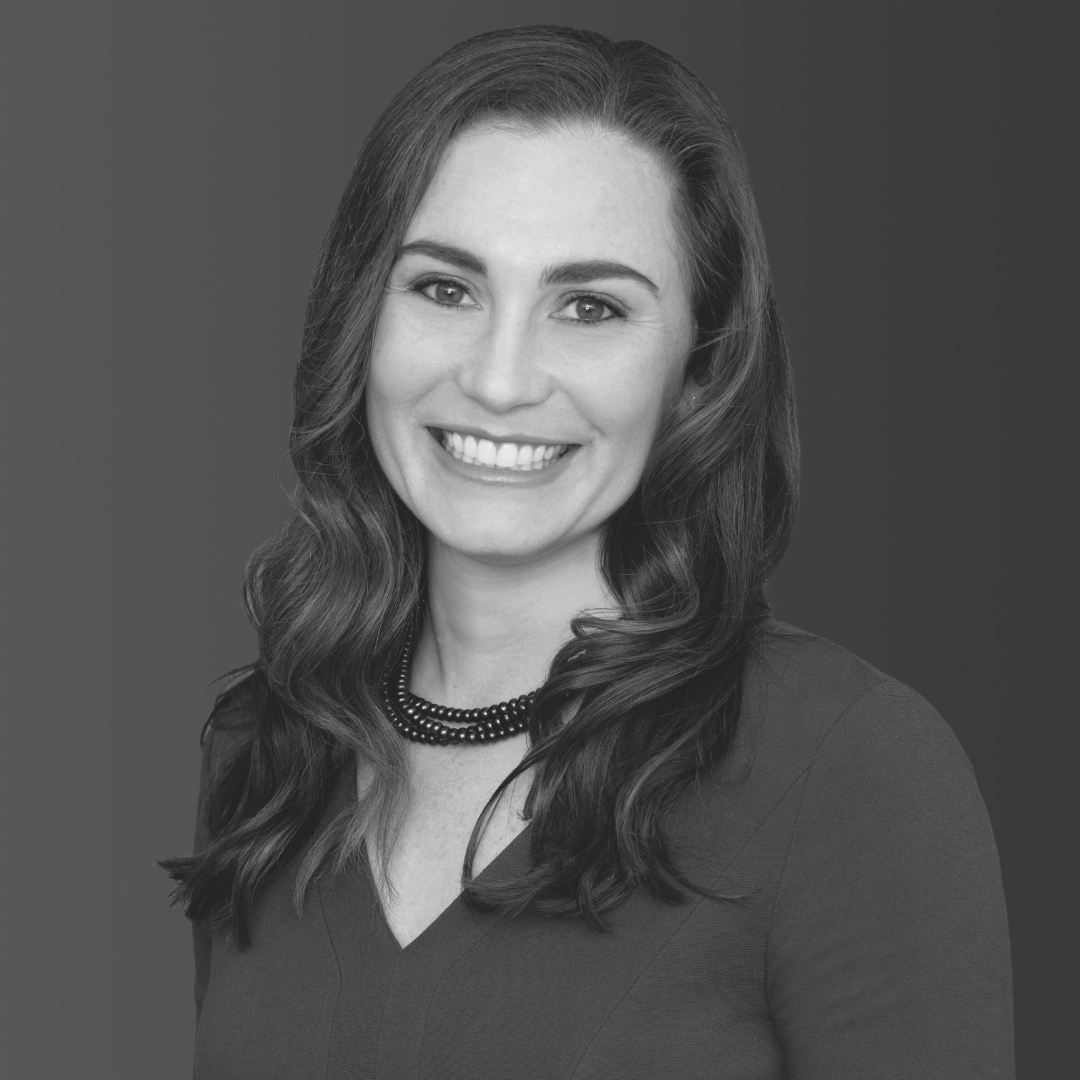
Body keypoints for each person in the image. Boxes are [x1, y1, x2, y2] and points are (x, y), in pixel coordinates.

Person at [163, 24, 1013, 1079]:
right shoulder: (267, 748)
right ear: (360, 319)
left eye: (589, 307)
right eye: (444, 288)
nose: (503, 377)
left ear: (696, 371)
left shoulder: (845, 769)